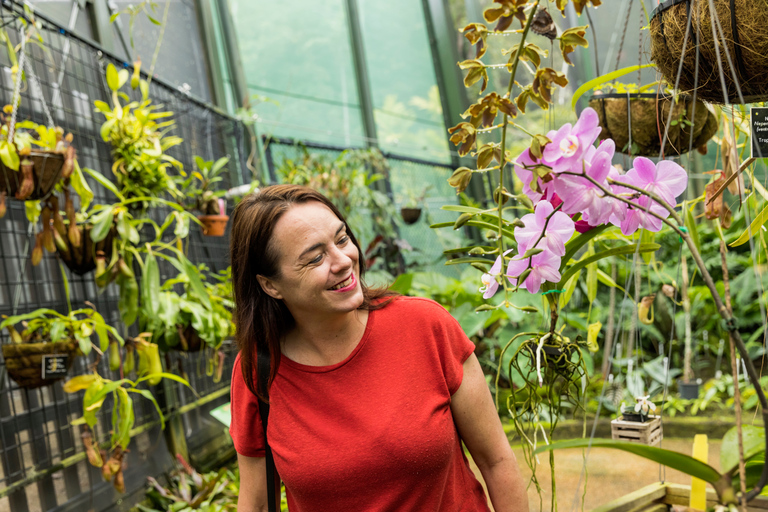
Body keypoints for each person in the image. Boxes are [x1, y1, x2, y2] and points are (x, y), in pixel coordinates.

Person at [229, 184, 529, 512]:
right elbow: (256, 504)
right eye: (315, 257)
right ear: (270, 285)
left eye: (342, 239)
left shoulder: (425, 326)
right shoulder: (258, 371)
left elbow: (497, 461)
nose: (343, 260)